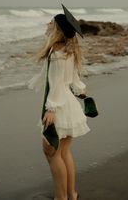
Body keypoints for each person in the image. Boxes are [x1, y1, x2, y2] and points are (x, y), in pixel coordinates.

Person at [28, 12, 90, 200]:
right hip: (69, 104)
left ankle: (61, 198)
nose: (48, 24)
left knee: (51, 152)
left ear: (58, 29)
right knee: (63, 152)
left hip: (59, 106)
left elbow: (55, 84)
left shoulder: (56, 53)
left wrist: (51, 109)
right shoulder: (68, 50)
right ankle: (71, 194)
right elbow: (74, 80)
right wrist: (81, 92)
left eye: (51, 22)